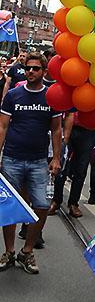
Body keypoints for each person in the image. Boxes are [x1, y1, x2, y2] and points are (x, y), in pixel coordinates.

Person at [0, 51, 62, 274]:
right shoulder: (14, 95)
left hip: (38, 162)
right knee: (9, 207)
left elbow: (56, 129)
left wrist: (56, 157)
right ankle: (8, 252)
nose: (31, 72)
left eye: (36, 68)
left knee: (42, 206)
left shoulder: (51, 97)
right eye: (28, 68)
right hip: (12, 160)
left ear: (44, 72)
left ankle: (26, 251)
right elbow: (3, 126)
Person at [48, 110, 95, 218]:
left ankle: (73, 203)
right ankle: (56, 200)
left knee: (81, 168)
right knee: (61, 164)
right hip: (67, 124)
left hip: (89, 128)